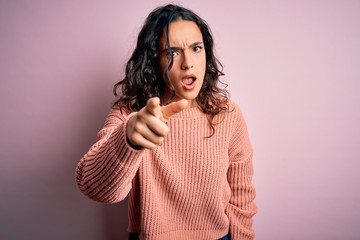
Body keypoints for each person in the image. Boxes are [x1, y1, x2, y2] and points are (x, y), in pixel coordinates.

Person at [76, 4, 257, 240]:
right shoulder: (129, 114)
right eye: (172, 52)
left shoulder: (229, 115)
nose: (188, 63)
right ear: (154, 61)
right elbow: (94, 188)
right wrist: (129, 140)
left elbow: (241, 198)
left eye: (196, 48)